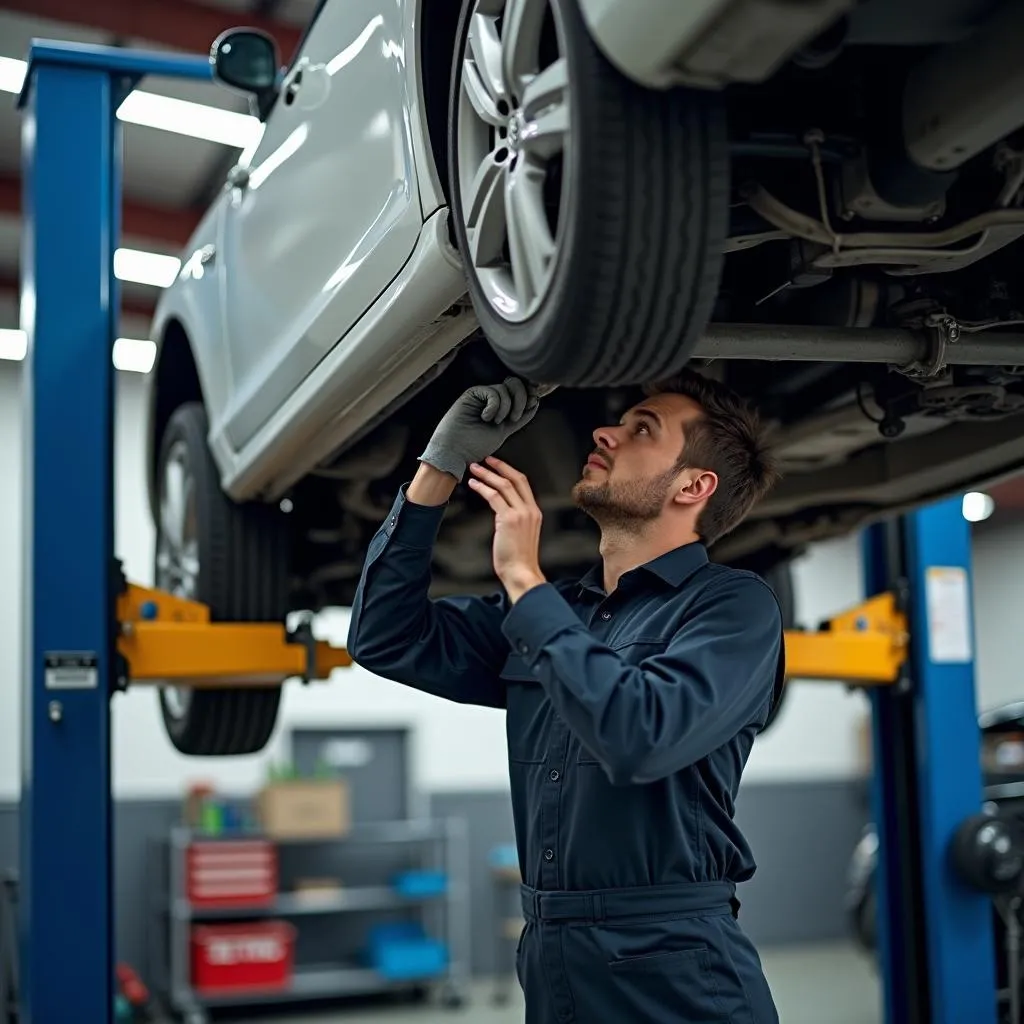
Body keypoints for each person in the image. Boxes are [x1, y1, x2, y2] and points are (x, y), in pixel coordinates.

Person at [347, 371, 784, 1023]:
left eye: (642, 430)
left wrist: (524, 578)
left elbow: (639, 736)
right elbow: (384, 635)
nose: (605, 431)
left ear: (694, 486)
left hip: (674, 964)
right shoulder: (563, 614)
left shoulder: (732, 607)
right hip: (552, 959)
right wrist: (439, 467)